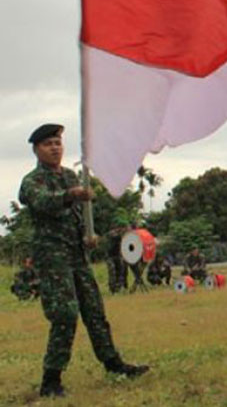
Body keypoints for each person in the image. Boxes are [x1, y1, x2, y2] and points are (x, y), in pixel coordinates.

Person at [18, 124, 148, 397]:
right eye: (48, 144)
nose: (55, 148)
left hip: (76, 253)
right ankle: (50, 380)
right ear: (36, 150)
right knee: (64, 313)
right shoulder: (32, 182)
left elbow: (77, 215)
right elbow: (43, 203)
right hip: (52, 255)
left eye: (57, 142)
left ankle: (113, 363)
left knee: (94, 310)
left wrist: (89, 235)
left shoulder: (69, 175)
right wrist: (71, 195)